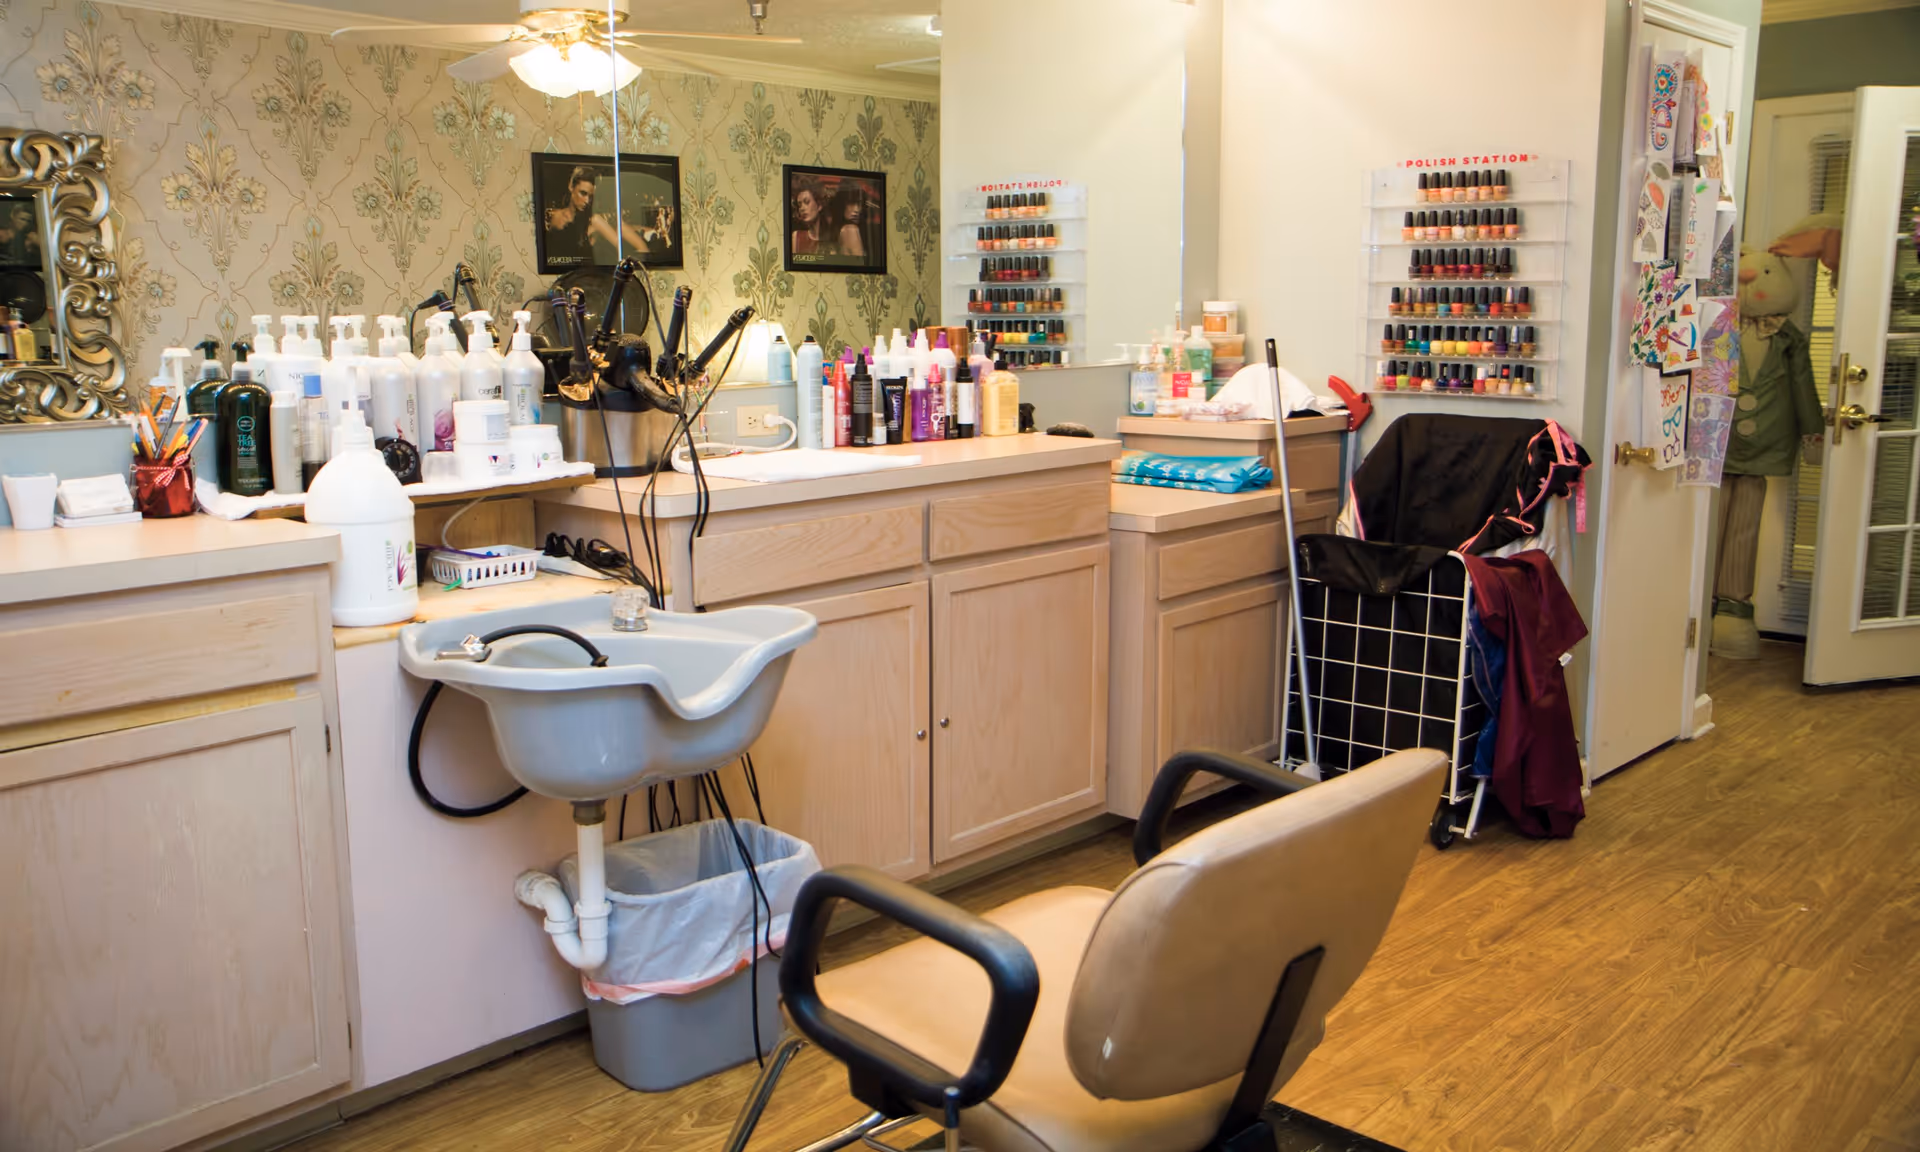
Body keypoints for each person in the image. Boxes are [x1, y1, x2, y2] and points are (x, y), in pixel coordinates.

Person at [545, 166, 673, 266]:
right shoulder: (551, 215)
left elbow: (638, 250)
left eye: (591, 196)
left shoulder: (595, 221)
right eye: (582, 193)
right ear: (571, 186)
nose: (587, 201)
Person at [790, 180, 828, 257]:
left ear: (819, 205)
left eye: (806, 202)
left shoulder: (833, 238)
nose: (802, 209)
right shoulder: (796, 237)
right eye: (799, 205)